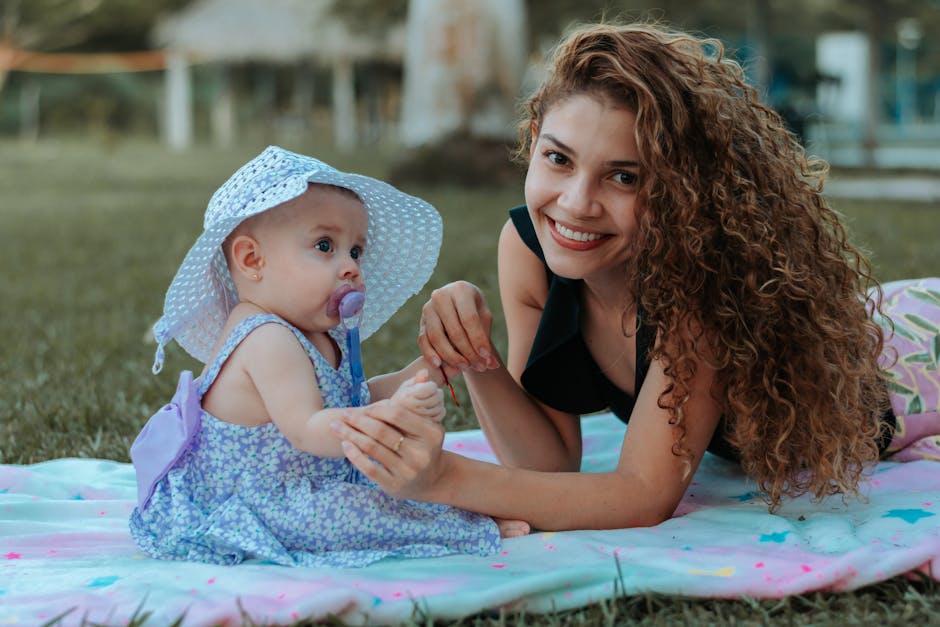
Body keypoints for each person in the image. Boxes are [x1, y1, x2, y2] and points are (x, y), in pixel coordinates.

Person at [332, 22, 940, 531]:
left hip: (910, 364)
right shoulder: (528, 249)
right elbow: (547, 463)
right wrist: (474, 359)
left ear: (678, 190)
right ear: (532, 141)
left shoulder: (698, 290)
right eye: (558, 158)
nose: (575, 203)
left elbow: (644, 494)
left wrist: (444, 478)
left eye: (624, 176)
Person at [128, 146, 528, 568]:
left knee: (401, 482)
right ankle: (461, 525)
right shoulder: (266, 338)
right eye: (325, 245)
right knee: (358, 514)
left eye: (355, 251)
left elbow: (351, 399)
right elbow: (308, 428)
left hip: (307, 478)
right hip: (252, 499)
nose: (351, 267)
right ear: (252, 260)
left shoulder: (314, 332)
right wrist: (388, 415)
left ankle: (459, 505)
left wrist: (426, 369)